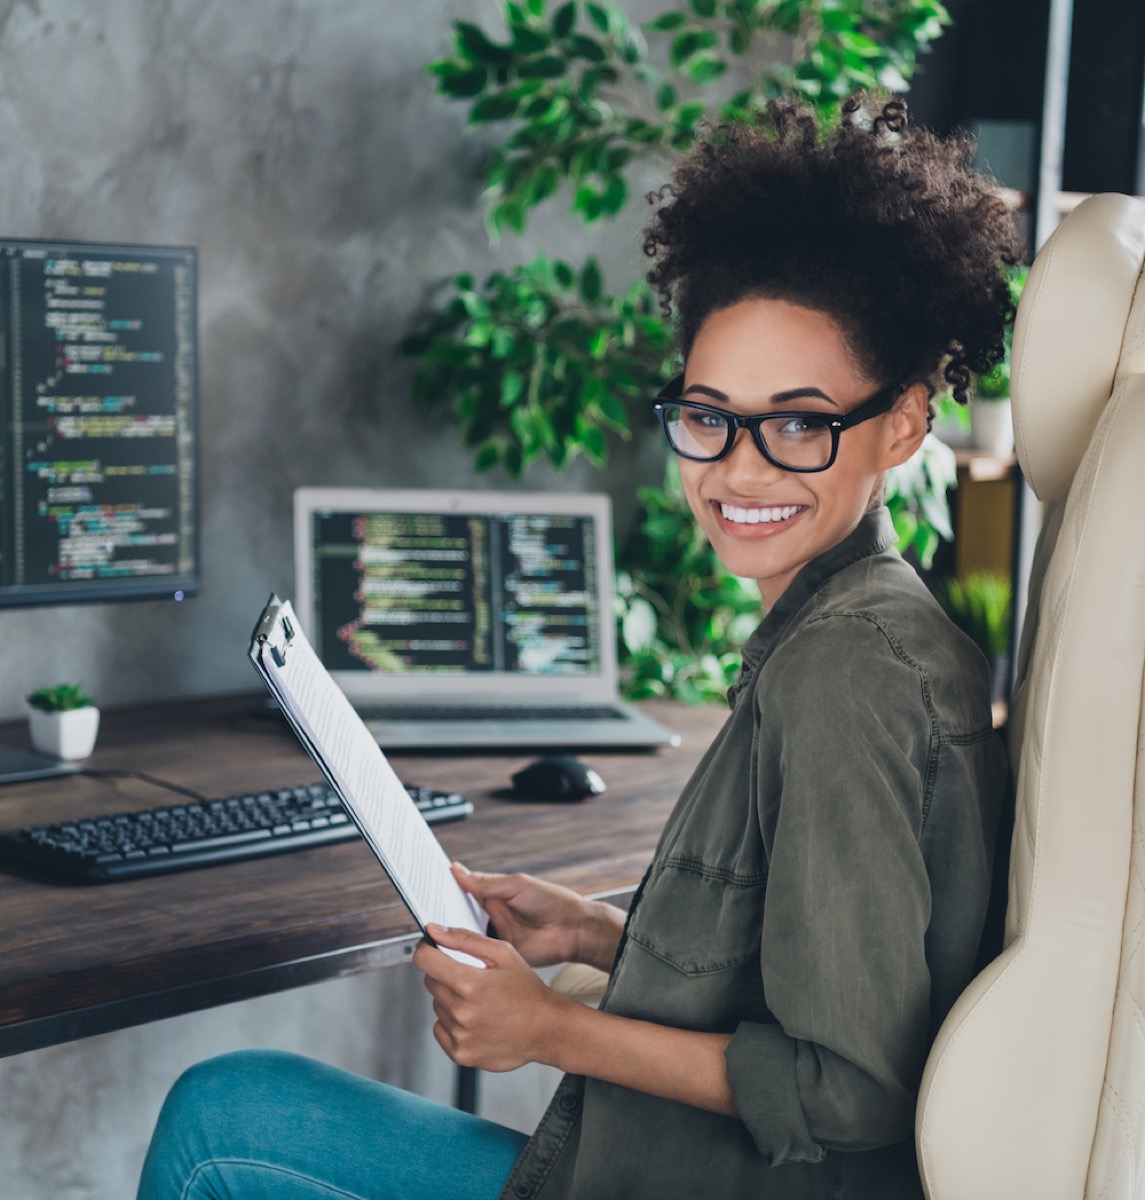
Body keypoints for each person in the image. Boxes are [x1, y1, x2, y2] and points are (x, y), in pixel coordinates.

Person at [136, 94, 1015, 1200]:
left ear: (902, 422)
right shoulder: (845, 624)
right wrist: (597, 932)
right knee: (235, 1104)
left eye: (797, 422)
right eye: (707, 414)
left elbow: (850, 1089)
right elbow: (794, 955)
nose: (737, 471)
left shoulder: (849, 672)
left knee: (221, 1121)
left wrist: (547, 1029)